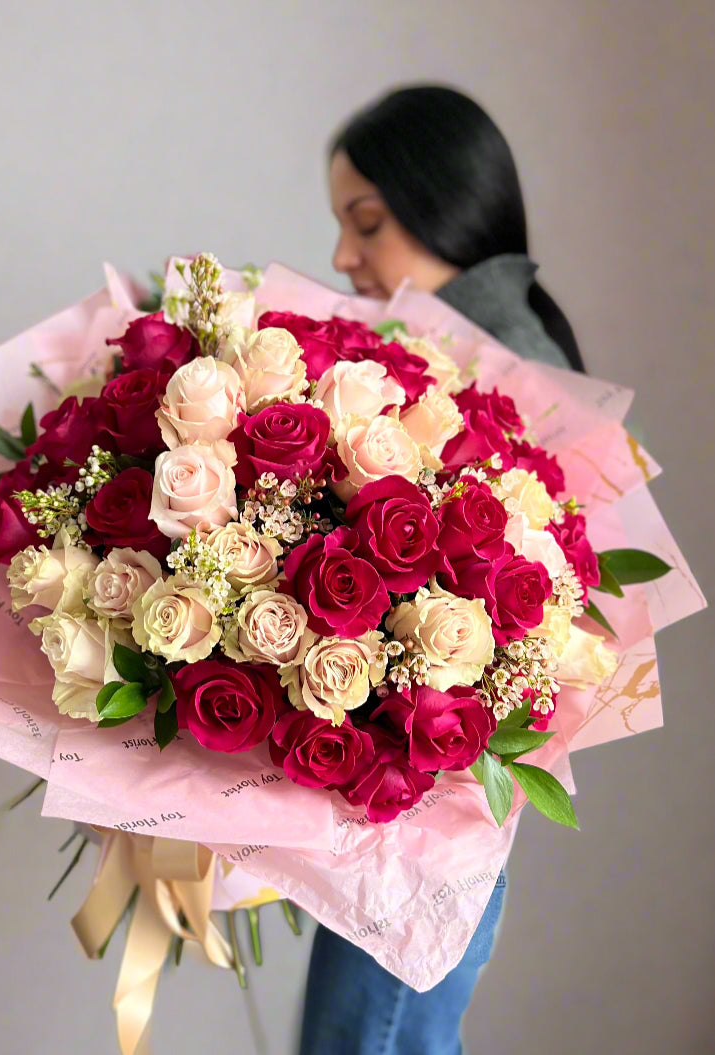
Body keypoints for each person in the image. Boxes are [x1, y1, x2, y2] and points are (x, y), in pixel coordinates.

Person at [298, 85, 585, 1055]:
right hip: (399, 810)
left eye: (365, 222)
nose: (343, 256)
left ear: (442, 207)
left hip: (434, 816)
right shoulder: (432, 355)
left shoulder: (515, 370)